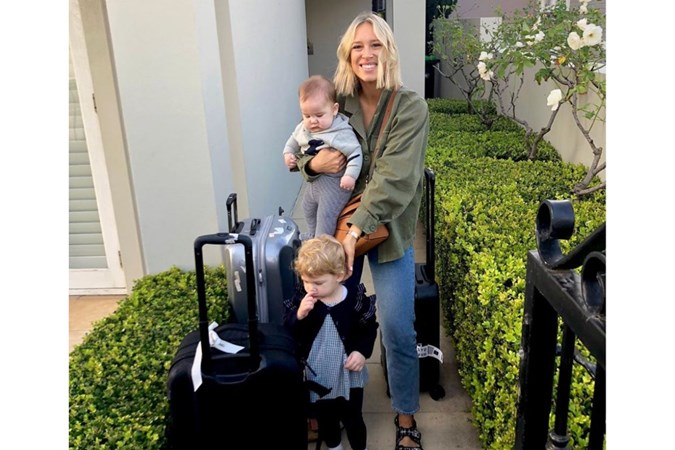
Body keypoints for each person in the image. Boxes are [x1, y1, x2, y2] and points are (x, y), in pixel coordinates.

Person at [295, 12, 430, 450]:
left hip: (386, 231)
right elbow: (302, 139)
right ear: (347, 55)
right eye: (357, 46)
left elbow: (394, 180)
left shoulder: (409, 107)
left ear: (387, 50)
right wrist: (309, 164)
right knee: (323, 315)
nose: (366, 54)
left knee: (395, 327)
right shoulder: (338, 101)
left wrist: (353, 234)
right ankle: (324, 404)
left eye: (374, 45)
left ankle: (405, 413)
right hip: (338, 231)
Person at [283, 235, 378, 450]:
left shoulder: (354, 298)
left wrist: (362, 352)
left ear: (340, 275)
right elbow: (288, 332)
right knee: (326, 418)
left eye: (318, 282)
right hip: (318, 374)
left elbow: (369, 327)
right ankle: (334, 446)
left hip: (348, 374)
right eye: (305, 281)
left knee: (353, 416)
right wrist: (298, 315)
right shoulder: (303, 300)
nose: (311, 288)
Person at [283, 75, 363, 239]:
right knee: (307, 207)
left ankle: (322, 243)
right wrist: (288, 154)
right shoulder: (304, 127)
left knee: (325, 217)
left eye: (319, 115)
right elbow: (293, 140)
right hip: (314, 184)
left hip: (335, 184)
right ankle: (313, 236)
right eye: (307, 115)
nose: (313, 121)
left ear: (334, 109)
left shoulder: (340, 131)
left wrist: (350, 175)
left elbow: (355, 153)